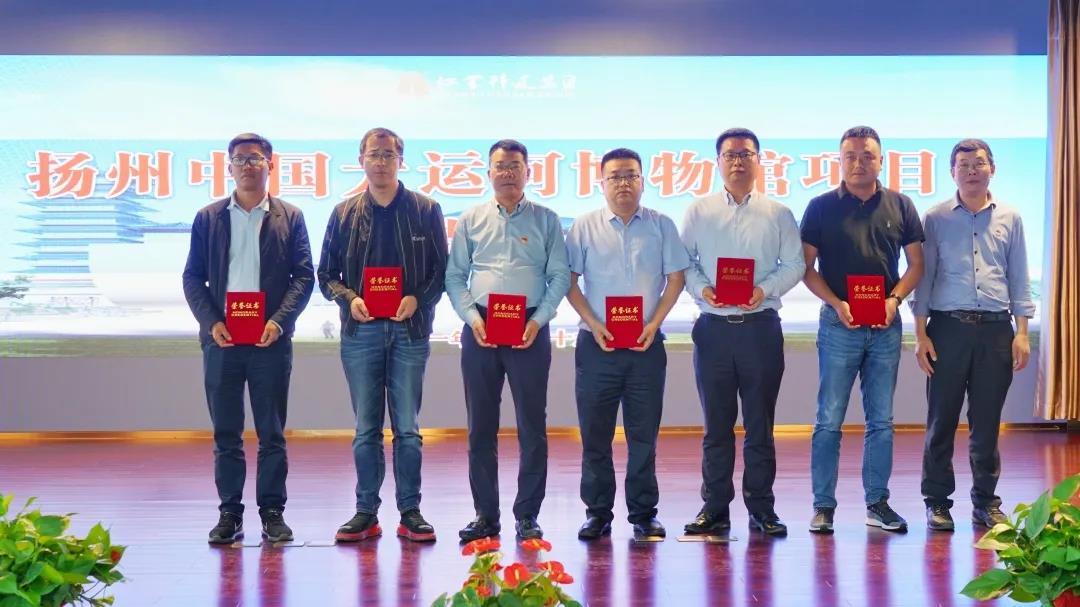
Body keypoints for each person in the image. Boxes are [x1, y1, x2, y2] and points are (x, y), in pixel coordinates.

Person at [182, 132, 314, 544]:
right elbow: (192, 277)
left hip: (269, 341)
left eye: (255, 158)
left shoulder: (290, 216)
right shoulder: (208, 218)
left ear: (270, 165)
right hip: (222, 341)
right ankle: (230, 513)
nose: (247, 166)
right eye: (239, 159)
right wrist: (211, 322)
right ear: (229, 167)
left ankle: (273, 512)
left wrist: (279, 321)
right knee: (226, 433)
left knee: (271, 433)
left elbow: (303, 276)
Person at [317, 127, 448, 542]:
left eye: (389, 155)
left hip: (410, 330)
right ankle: (365, 512)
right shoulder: (343, 213)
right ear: (361, 160)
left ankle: (410, 511)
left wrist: (417, 298)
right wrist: (350, 298)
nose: (381, 162)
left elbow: (441, 272)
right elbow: (326, 274)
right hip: (362, 332)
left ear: (400, 160)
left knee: (407, 428)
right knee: (366, 429)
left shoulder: (426, 209)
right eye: (374, 154)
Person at [680, 128, 805, 538]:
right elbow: (685, 262)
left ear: (758, 160)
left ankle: (762, 509)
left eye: (745, 154)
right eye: (730, 154)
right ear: (718, 162)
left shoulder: (778, 213)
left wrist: (762, 290)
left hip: (760, 329)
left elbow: (795, 265)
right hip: (713, 330)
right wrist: (703, 289)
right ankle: (714, 508)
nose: (737, 161)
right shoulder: (699, 211)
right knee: (716, 427)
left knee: (759, 426)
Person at [800, 125, 925, 533]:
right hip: (839, 324)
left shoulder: (901, 205)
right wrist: (836, 304)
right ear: (839, 161)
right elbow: (806, 268)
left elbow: (917, 265)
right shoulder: (820, 207)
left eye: (867, 155)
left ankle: (878, 504)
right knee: (829, 419)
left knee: (881, 420)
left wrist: (894, 300)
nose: (859, 163)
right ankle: (823, 506)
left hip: (885, 325)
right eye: (851, 156)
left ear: (881, 160)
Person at [445, 139, 570, 541]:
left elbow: (559, 276)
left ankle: (527, 515)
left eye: (515, 165)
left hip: (529, 327)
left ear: (528, 172)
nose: (508, 173)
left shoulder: (547, 220)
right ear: (489, 173)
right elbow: (454, 276)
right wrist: (471, 318)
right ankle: (485, 515)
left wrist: (539, 320)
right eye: (500, 166)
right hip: (481, 327)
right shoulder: (471, 219)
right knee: (480, 426)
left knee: (532, 425)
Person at [565, 147, 689, 540]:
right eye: (615, 176)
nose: (623, 183)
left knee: (643, 436)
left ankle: (643, 514)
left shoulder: (661, 225)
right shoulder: (583, 226)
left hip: (645, 346)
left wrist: (654, 323)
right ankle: (597, 513)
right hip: (596, 346)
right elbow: (569, 282)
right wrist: (593, 323)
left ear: (642, 181)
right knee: (595, 435)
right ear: (601, 183)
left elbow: (677, 278)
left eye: (631, 175)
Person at [912, 138, 1034, 531]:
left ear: (991, 169)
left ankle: (985, 502)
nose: (971, 171)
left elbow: (1019, 276)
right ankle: (937, 502)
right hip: (946, 329)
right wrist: (920, 334)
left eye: (978, 163)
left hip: (996, 330)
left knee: (986, 423)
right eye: (963, 165)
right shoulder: (935, 218)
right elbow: (925, 278)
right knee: (941, 420)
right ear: (952, 172)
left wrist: (1022, 333)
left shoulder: (1010, 217)